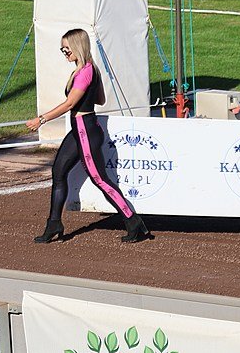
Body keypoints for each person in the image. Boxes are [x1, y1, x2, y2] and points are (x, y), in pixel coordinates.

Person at [26, 29, 152, 243]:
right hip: (81, 129)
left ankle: (133, 221)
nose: (64, 53)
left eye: (67, 49)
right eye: (62, 49)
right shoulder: (87, 70)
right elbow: (101, 99)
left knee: (100, 179)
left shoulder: (85, 72)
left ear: (78, 47)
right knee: (58, 171)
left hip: (85, 130)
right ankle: (54, 223)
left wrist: (42, 119)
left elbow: (70, 104)